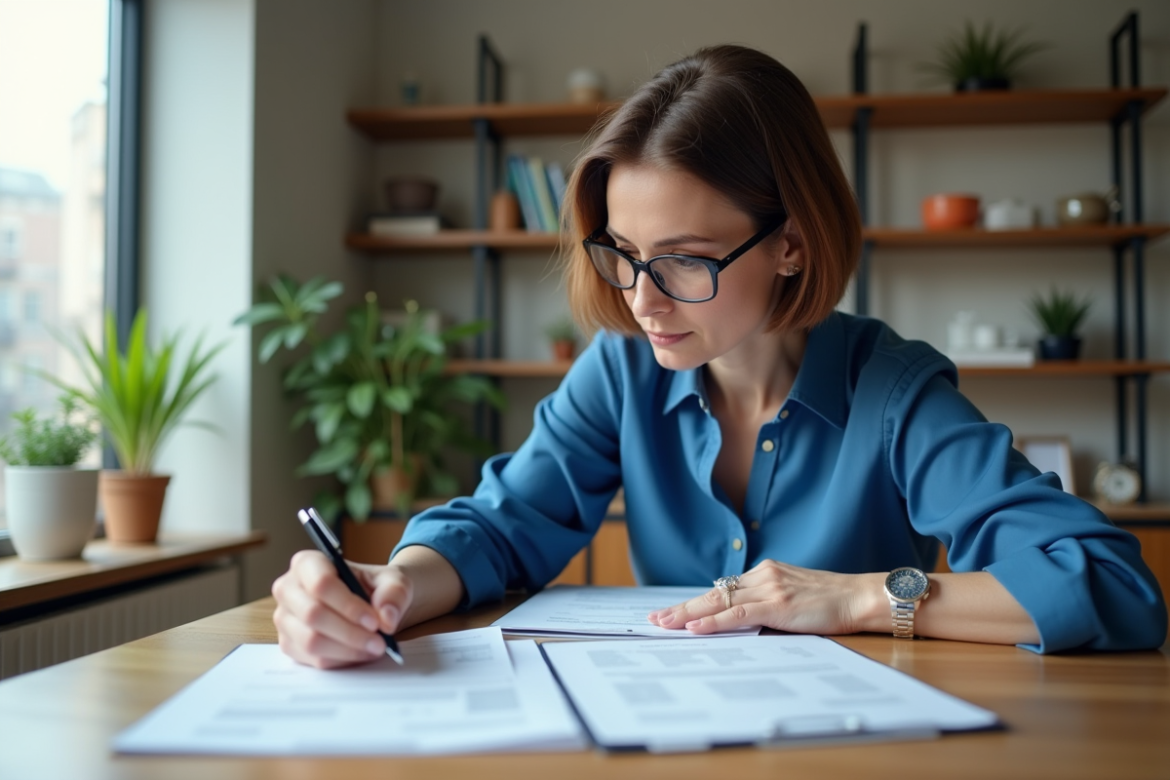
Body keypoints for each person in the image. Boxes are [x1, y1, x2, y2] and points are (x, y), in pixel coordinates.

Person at [272, 45, 1167, 668]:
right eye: (622, 253)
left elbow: (1108, 583)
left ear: (792, 243)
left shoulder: (893, 391)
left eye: (687, 261)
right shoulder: (621, 368)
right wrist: (389, 588)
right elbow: (501, 529)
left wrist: (859, 599)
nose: (641, 299)